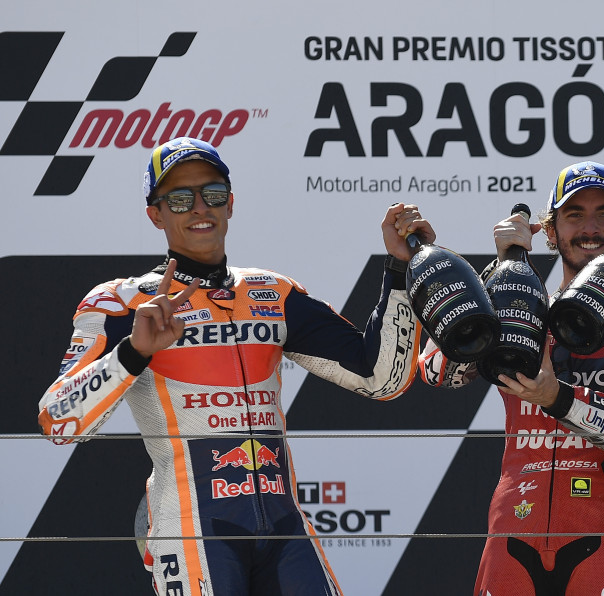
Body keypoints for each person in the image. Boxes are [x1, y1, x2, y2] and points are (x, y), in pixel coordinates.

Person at [37, 137, 433, 595]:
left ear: (230, 203)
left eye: (213, 193)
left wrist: (401, 271)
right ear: (155, 215)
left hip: (284, 526)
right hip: (191, 528)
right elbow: (57, 421)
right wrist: (132, 353)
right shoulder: (122, 302)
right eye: (180, 198)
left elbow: (381, 379)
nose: (199, 207)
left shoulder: (273, 293)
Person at [420, 161, 604, 595]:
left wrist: (558, 398)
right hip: (512, 538)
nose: (590, 228)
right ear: (549, 230)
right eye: (574, 214)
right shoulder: (517, 309)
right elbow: (437, 372)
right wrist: (499, 270)